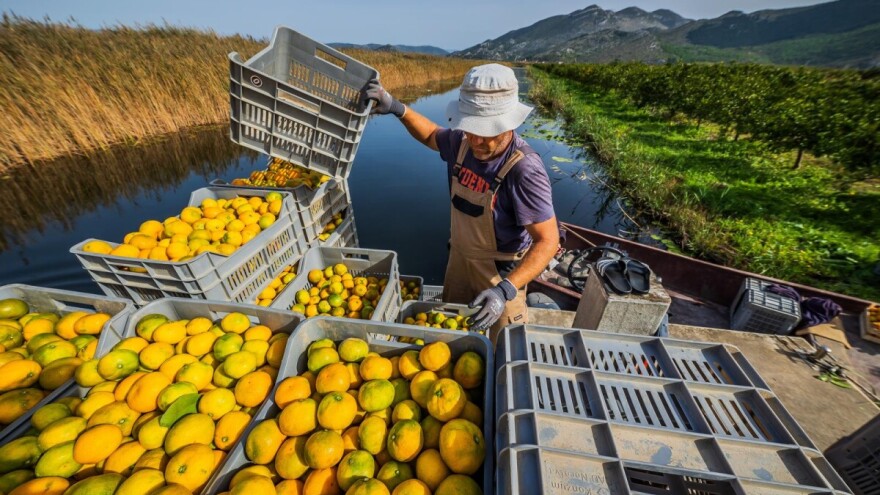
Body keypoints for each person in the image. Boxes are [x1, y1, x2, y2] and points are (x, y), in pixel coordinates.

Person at [365, 64, 558, 339]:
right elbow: (431, 135)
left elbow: (548, 240)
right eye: (470, 128)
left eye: (487, 132)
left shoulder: (524, 170)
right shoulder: (461, 143)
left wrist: (504, 290)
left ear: (509, 124)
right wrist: (397, 107)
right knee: (451, 331)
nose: (476, 140)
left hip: (500, 272)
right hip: (459, 259)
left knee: (501, 342)